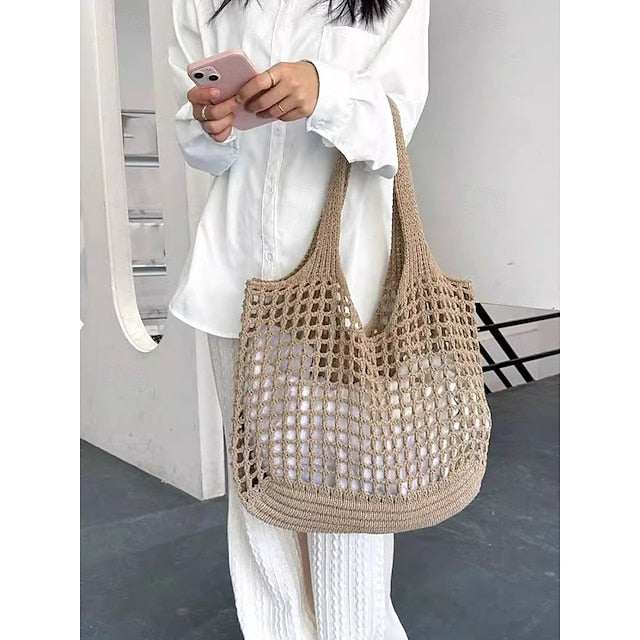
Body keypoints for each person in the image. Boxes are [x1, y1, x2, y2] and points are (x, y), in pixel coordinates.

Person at [167, 1, 430, 638]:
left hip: (348, 281)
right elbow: (199, 146)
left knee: (349, 487)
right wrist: (211, 124)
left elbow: (396, 125)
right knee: (258, 487)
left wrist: (324, 89)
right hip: (235, 277)